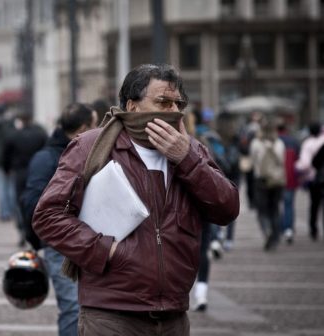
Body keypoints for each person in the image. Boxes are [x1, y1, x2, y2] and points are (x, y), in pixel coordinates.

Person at [32, 64, 239, 336]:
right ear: (132, 106)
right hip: (111, 314)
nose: (174, 111)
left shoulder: (192, 149)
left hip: (174, 314)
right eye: (163, 102)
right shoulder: (91, 146)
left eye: (179, 103)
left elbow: (227, 208)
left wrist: (187, 160)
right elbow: (48, 216)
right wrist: (106, 251)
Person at [21, 103, 97, 336]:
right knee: (73, 308)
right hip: (60, 244)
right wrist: (38, 241)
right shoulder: (47, 158)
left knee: (92, 309)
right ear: (83, 128)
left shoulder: (90, 152)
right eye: (95, 125)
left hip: (91, 241)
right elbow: (31, 203)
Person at [3, 111, 47, 246]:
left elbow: (6, 155)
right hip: (37, 172)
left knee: (20, 203)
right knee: (37, 202)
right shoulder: (41, 135)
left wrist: (7, 169)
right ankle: (35, 230)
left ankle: (22, 229)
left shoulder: (14, 135)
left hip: (20, 172)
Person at [249, 118, 286, 251]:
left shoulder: (256, 143)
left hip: (261, 180)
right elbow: (282, 161)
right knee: (275, 210)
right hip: (277, 180)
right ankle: (275, 238)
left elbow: (253, 161)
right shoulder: (279, 143)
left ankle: (267, 232)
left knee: (262, 211)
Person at [295, 122, 324, 241]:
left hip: (314, 179)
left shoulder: (307, 144)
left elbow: (304, 164)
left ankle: (313, 229)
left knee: (314, 205)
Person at [277, 123, 300, 244]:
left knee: (277, 206)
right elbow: (299, 161)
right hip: (291, 178)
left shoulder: (274, 142)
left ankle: (280, 228)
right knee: (289, 205)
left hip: (276, 179)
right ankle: (288, 229)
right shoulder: (293, 142)